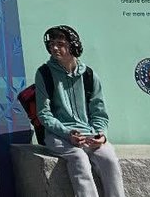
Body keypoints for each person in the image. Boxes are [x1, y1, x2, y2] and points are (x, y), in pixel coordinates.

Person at [35, 25, 126, 197]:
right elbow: (44, 114)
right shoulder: (44, 73)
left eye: (60, 44)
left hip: (89, 134)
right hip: (58, 135)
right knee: (79, 158)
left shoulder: (89, 75)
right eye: (52, 44)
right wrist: (67, 133)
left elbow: (99, 112)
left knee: (109, 159)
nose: (54, 48)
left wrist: (101, 134)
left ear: (73, 46)